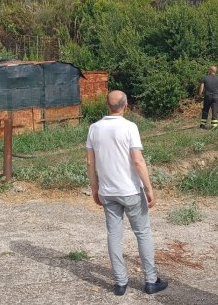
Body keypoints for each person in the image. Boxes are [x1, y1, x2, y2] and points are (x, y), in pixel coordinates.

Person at [86, 90, 168, 296]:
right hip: (130, 190)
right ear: (126, 105)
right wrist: (149, 188)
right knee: (142, 233)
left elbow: (90, 162)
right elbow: (137, 160)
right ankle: (151, 280)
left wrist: (95, 188)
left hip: (107, 191)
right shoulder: (130, 127)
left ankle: (120, 283)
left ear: (107, 105)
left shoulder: (94, 128)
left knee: (114, 234)